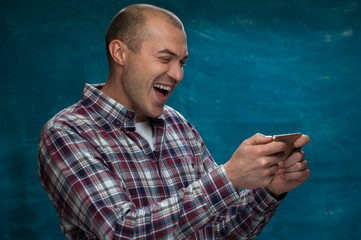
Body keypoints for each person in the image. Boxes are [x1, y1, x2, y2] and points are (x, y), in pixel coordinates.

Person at [38, 4, 310, 240]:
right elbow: (122, 232)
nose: (177, 74)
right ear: (120, 53)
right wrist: (228, 178)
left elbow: (219, 231)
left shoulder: (178, 125)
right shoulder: (67, 132)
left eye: (182, 62)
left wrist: (270, 190)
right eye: (165, 58)